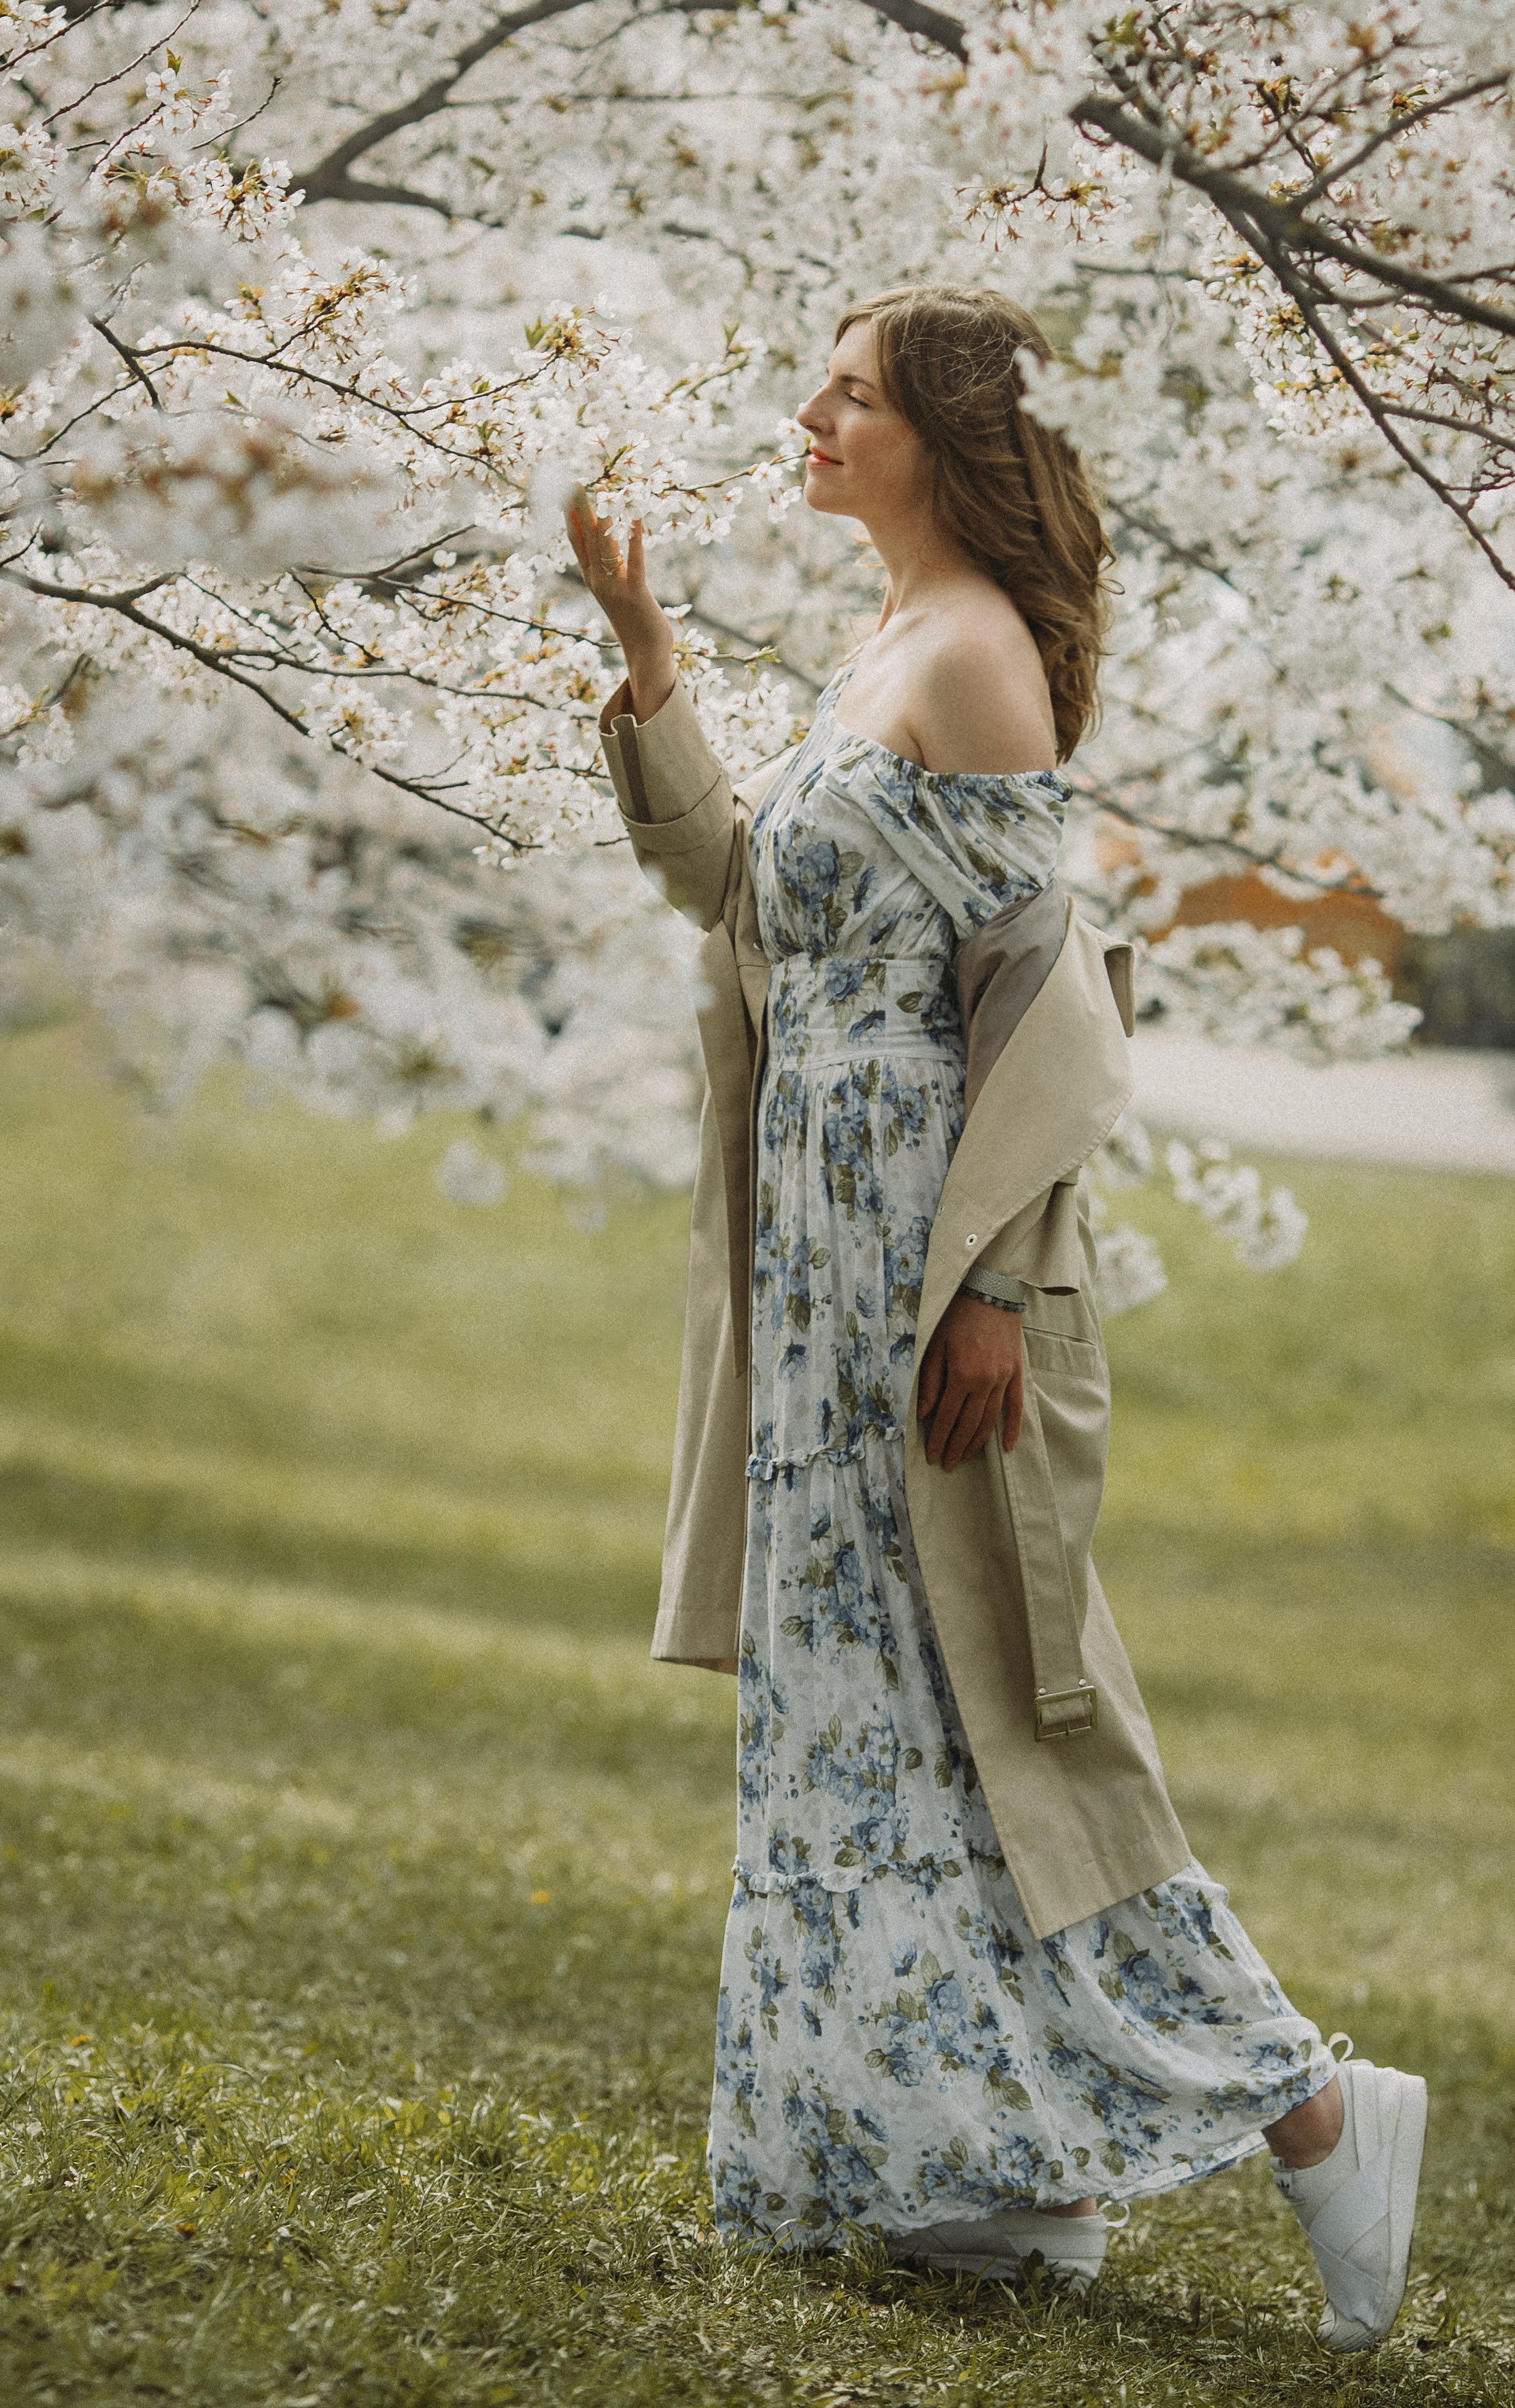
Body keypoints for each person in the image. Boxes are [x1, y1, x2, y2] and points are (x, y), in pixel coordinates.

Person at [564, 283, 1426, 2352]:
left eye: (848, 396)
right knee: (864, 1730)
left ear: (945, 434)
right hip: (820, 1279)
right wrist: (651, 665)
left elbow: (1051, 1028)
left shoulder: (977, 665)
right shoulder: (882, 647)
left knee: (1008, 1717)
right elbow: (742, 900)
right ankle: (1000, 2187)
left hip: (934, 1284)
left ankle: (1317, 2106)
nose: (808, 416)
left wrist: (1002, 1303)